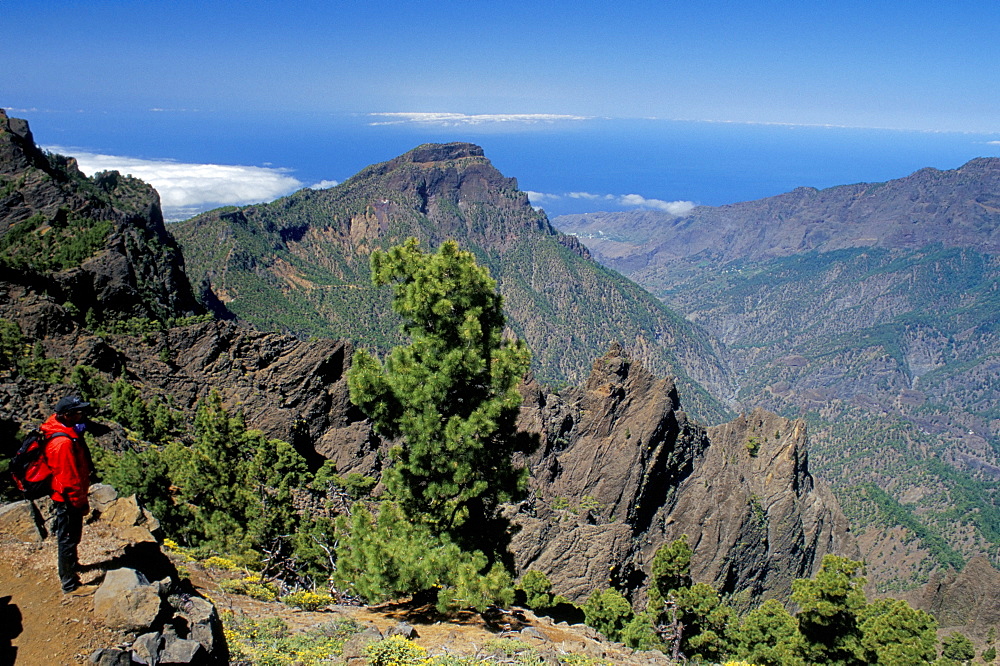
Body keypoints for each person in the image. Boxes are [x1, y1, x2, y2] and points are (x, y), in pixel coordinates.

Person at [41, 395, 96, 595]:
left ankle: (72, 566)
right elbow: (69, 479)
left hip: (67, 495)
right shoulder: (62, 443)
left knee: (72, 536)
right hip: (66, 498)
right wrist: (80, 502)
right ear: (67, 415)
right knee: (67, 539)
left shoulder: (65, 431)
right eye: (79, 412)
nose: (82, 415)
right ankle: (70, 584)